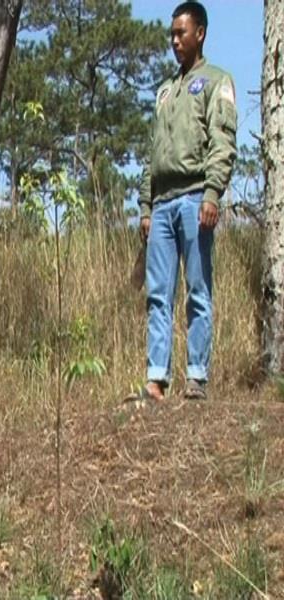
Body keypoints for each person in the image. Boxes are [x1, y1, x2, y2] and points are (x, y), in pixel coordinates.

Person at [138, 1, 237, 402]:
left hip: (196, 197)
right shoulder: (165, 91)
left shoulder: (216, 80)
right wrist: (145, 206)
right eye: (171, 35)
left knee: (198, 289)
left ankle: (196, 377)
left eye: (182, 33)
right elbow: (153, 151)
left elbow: (224, 141)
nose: (175, 41)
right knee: (158, 294)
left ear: (200, 33)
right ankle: (156, 380)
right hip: (162, 204)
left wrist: (213, 192)